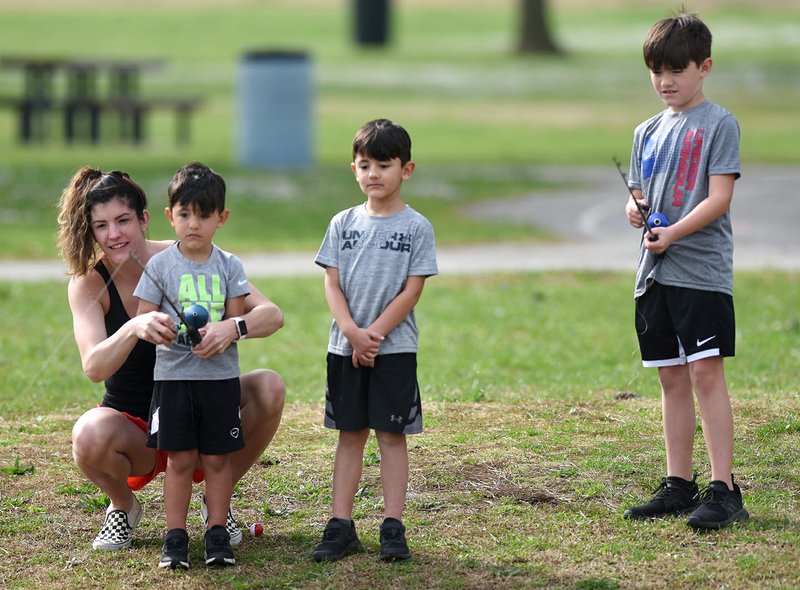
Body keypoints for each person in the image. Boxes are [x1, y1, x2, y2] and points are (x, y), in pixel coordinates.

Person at [56, 167, 285, 556]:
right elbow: (94, 367)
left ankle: (218, 501)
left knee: (269, 386)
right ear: (91, 231)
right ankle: (123, 507)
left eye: (123, 220)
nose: (115, 235)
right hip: (138, 426)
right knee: (88, 435)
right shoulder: (88, 283)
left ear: (145, 219)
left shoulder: (183, 255)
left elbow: (272, 315)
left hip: (203, 405)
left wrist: (232, 327)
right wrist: (134, 327)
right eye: (102, 226)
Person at [622, 12, 748, 530]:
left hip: (701, 273)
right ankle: (679, 484)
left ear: (705, 67)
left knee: (704, 373)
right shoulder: (646, 130)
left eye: (677, 69)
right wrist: (635, 210)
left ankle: (725, 489)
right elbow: (640, 194)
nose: (666, 81)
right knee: (671, 378)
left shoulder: (719, 123)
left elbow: (719, 199)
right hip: (654, 275)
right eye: (656, 71)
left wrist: (673, 232)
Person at [312, 119, 438, 562]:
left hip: (395, 350)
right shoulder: (341, 222)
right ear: (353, 169)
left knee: (390, 436)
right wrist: (351, 332)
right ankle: (341, 524)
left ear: (406, 169)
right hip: (345, 347)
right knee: (350, 434)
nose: (373, 174)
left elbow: (413, 289)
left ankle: (392, 525)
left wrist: (376, 335)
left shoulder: (417, 227)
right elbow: (332, 283)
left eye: (384, 165)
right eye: (365, 165)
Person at [134, 162, 250, 568]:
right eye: (184, 214)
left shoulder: (230, 265)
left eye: (203, 215)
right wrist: (162, 328)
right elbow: (144, 318)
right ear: (170, 217)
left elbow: (233, 321)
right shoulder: (160, 266)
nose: (193, 224)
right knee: (180, 459)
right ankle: (175, 536)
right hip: (173, 378)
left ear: (222, 218)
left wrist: (222, 332)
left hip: (219, 379)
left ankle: (217, 532)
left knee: (218, 458)